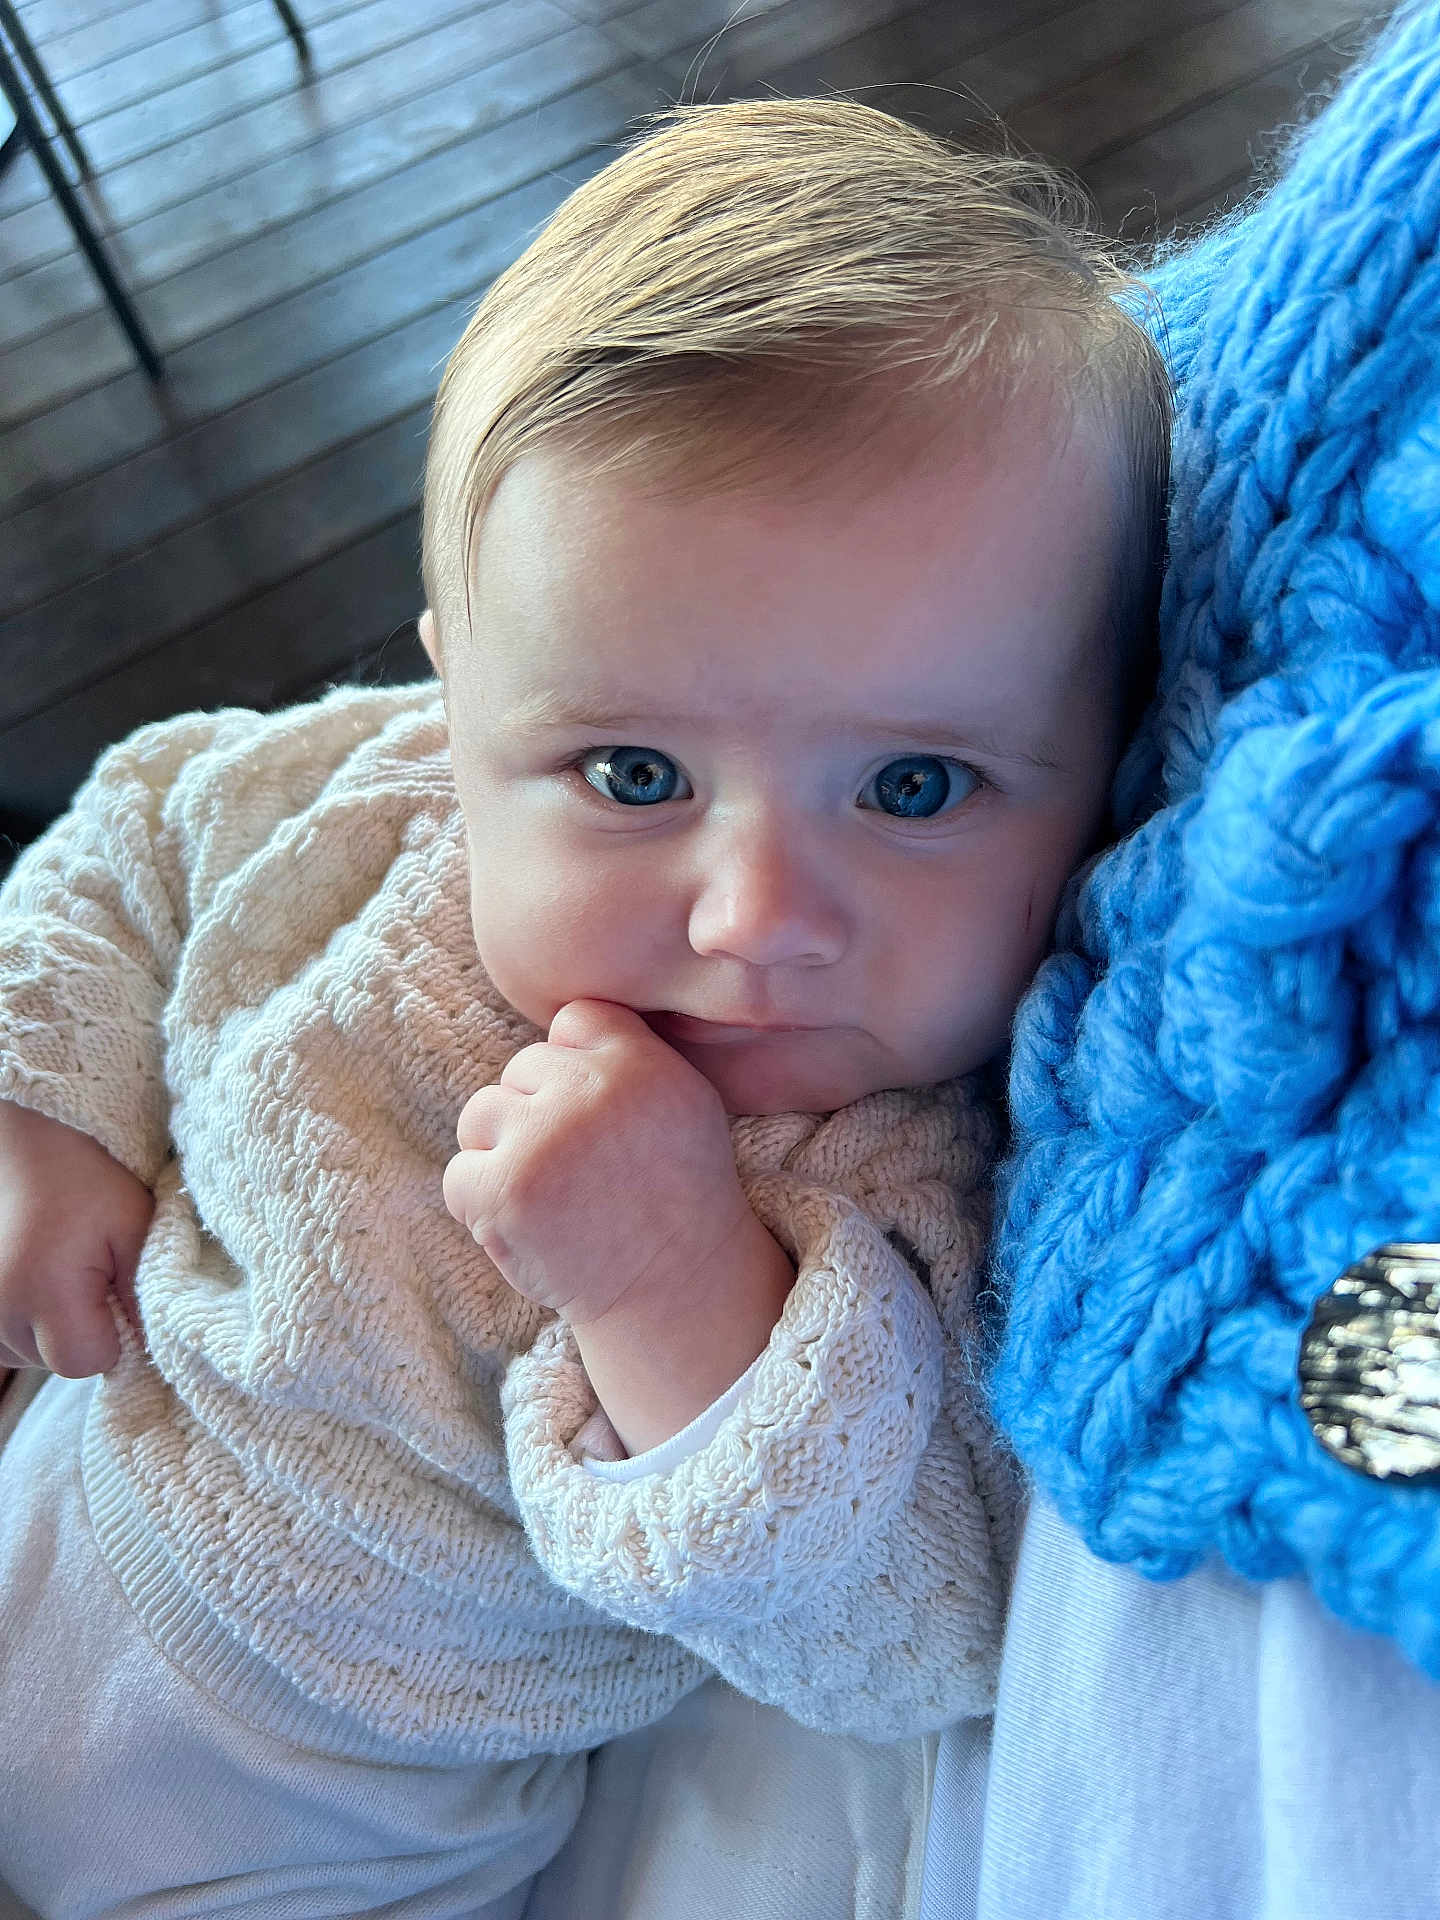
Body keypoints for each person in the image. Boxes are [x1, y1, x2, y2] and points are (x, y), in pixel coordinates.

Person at [0, 98, 1169, 1914]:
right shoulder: (371, 797)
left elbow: (914, 1635)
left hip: (341, 1814)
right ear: (456, 688)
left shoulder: (918, 1175)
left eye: (918, 787)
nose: (759, 918)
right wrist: (40, 1113)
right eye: (632, 771)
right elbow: (138, 826)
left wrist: (670, 1284)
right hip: (68, 1460)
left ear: (1102, 768)